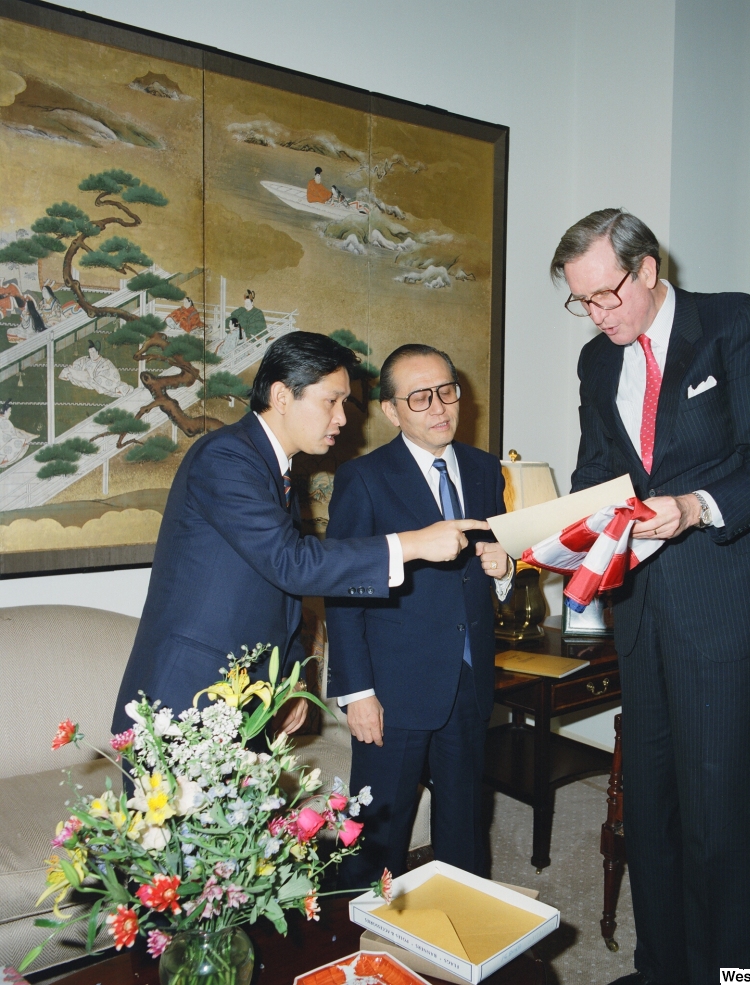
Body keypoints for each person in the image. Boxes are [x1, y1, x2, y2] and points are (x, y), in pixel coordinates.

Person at [551, 209, 750, 985]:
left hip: (723, 605)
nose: (598, 315)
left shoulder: (737, 324)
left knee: (718, 820)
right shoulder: (599, 362)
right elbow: (601, 471)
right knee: (648, 807)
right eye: (582, 302)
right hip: (644, 609)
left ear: (649, 269)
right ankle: (662, 968)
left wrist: (692, 506)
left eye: (607, 294)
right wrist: (558, 534)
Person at [111, 332, 488, 738]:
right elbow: (292, 563)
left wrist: (290, 680)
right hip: (189, 693)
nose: (343, 417)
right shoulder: (224, 457)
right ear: (282, 396)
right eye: (332, 400)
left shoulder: (277, 470)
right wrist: (413, 543)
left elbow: (279, 594)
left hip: (245, 694)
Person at [327, 343, 512, 885]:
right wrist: (357, 692)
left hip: (469, 679)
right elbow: (343, 590)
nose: (439, 408)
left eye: (447, 392)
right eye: (420, 397)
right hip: (393, 690)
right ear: (391, 410)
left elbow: (491, 565)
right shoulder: (363, 478)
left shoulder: (483, 470)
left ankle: (460, 949)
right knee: (375, 836)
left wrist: (504, 569)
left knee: (465, 828)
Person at [59, 339, 134, 397]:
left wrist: (93, 378)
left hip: (105, 381)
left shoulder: (105, 362)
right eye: (90, 352)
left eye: (93, 352)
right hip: (90, 380)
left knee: (102, 381)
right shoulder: (86, 360)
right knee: (72, 371)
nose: (91, 354)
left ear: (98, 352)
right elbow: (76, 365)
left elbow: (111, 373)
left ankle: (118, 389)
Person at [0, 400, 37, 467]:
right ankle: (27, 439)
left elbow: (12, 431)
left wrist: (22, 432)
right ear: (5, 411)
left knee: (19, 433)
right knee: (19, 439)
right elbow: (12, 434)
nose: (10, 413)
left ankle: (27, 438)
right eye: (9, 412)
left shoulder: (2, 419)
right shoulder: (4, 421)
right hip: (2, 454)